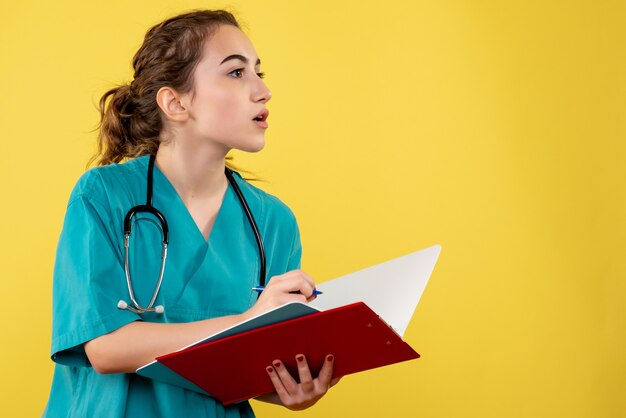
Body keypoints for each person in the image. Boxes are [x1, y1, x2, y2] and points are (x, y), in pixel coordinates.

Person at [44, 9, 338, 417]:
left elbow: (252, 366)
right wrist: (249, 322)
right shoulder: (104, 196)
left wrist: (295, 386)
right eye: (236, 73)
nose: (262, 90)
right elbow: (103, 347)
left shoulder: (273, 222)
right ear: (176, 102)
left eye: (259, 71)